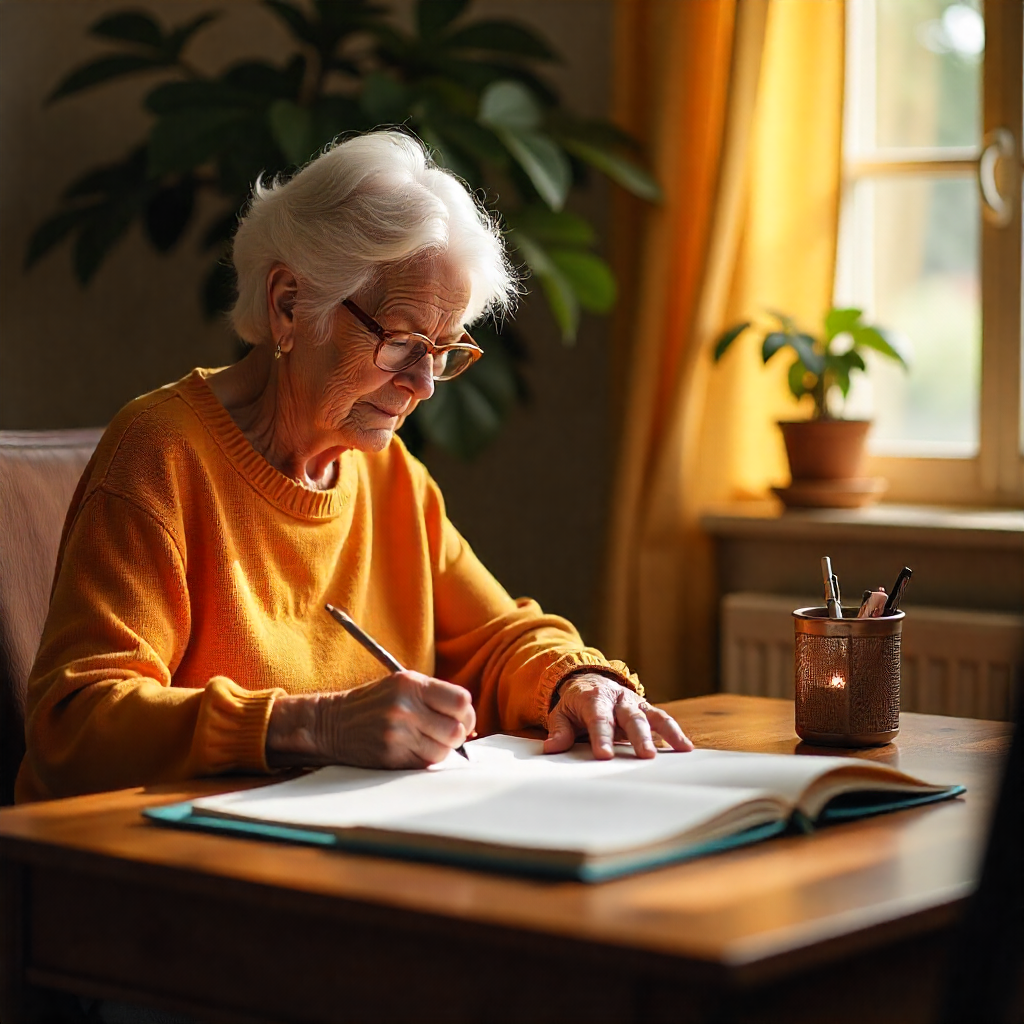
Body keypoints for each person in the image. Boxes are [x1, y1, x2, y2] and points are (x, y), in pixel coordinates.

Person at [17, 131, 692, 803]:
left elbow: (498, 637)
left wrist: (573, 681)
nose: (425, 385)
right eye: (402, 343)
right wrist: (312, 725)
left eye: (445, 349)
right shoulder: (161, 453)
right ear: (289, 306)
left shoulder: (389, 475)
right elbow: (75, 724)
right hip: (163, 873)